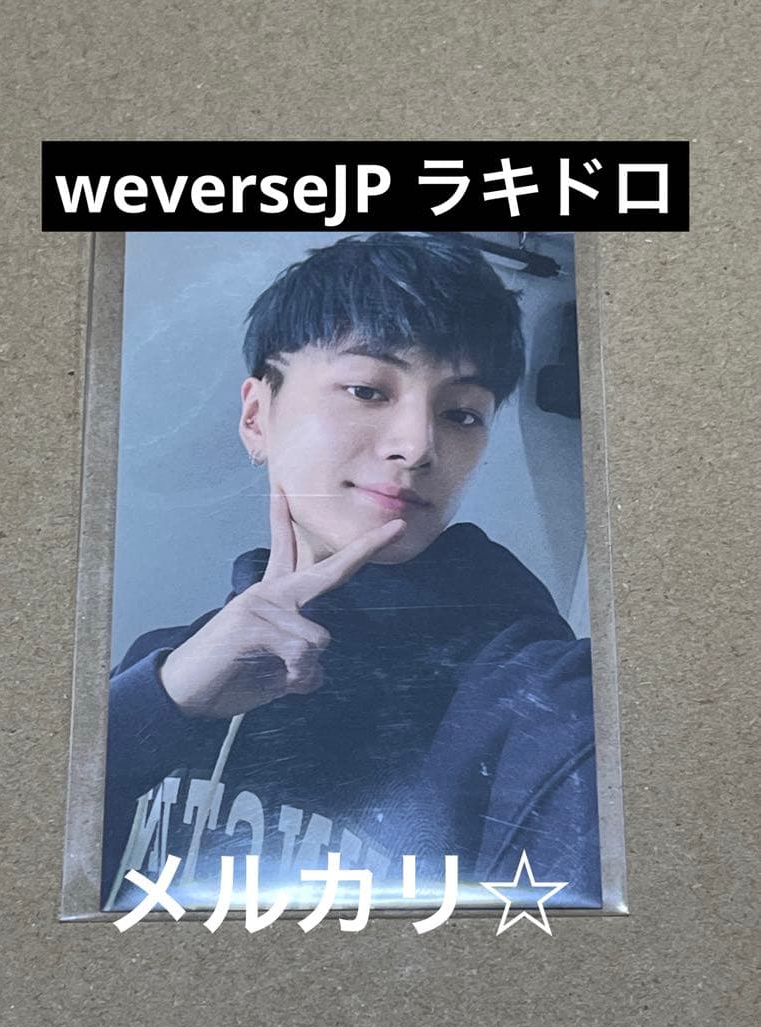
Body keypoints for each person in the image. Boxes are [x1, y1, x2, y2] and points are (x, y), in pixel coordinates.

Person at [103, 232, 601, 913]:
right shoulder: (161, 664)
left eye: (461, 414)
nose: (418, 446)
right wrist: (158, 705)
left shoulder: (543, 696)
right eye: (367, 390)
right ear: (257, 416)